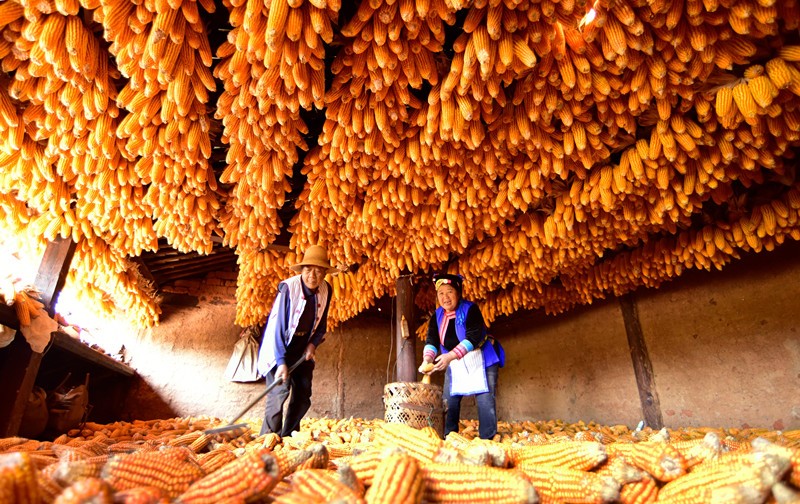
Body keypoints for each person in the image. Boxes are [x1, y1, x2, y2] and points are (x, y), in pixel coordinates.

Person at [256, 245, 335, 437]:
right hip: (280, 346)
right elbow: (277, 328)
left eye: (318, 271)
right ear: (302, 270)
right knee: (279, 392)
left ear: (325, 273)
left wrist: (312, 344)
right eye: (308, 270)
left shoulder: (326, 290)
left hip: (302, 347)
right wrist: (281, 362)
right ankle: (269, 437)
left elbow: (322, 324)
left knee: (303, 394)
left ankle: (289, 436)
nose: (312, 276)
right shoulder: (288, 288)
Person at [419, 273, 504, 439]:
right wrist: (427, 360)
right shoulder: (437, 316)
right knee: (449, 400)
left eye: (449, 292)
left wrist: (449, 356)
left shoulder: (471, 309)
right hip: (454, 362)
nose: (445, 297)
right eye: (441, 293)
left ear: (458, 293)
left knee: (485, 399)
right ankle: (449, 435)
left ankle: (488, 437)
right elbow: (432, 340)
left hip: (481, 358)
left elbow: (473, 337)